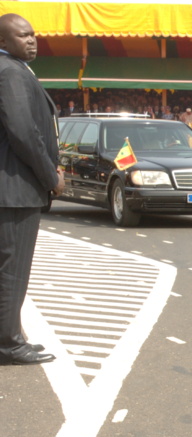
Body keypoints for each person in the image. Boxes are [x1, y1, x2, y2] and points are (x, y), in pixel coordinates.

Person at [0, 13, 63, 365]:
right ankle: (8, 345)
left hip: (11, 189)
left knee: (8, 268)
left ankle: (11, 335)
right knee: (13, 269)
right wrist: (51, 176)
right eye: (22, 36)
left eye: (33, 34)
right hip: (15, 188)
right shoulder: (10, 72)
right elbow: (24, 132)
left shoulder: (14, 69)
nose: (32, 40)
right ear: (4, 42)